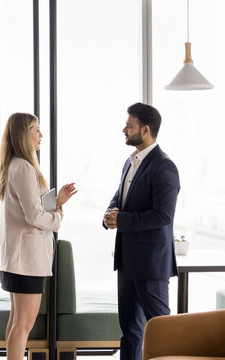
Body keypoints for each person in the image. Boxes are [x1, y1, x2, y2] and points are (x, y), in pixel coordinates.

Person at [0, 112, 77, 360]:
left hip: (17, 259)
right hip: (25, 261)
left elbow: (31, 207)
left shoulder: (15, 165)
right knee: (24, 325)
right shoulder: (24, 168)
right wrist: (58, 216)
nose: (41, 135)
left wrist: (56, 201)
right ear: (23, 134)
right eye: (36, 130)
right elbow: (34, 216)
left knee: (17, 322)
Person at [103, 102, 180, 360]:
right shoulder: (131, 161)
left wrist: (121, 220)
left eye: (129, 125)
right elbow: (120, 197)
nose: (124, 129)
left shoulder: (164, 167)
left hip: (150, 265)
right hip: (126, 262)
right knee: (130, 331)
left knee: (162, 330)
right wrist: (110, 213)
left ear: (145, 130)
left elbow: (163, 216)